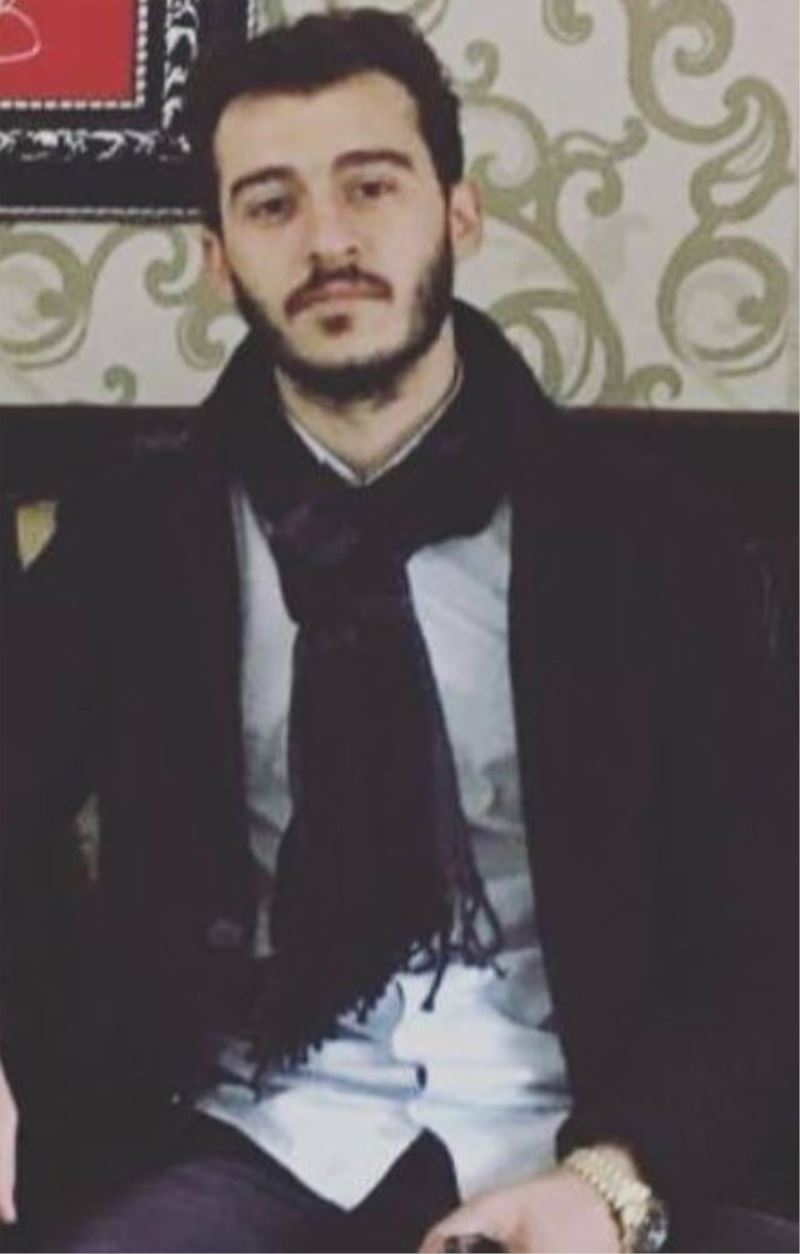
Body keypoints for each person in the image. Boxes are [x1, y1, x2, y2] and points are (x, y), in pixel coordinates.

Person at [0, 9, 795, 1253]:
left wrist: (611, 1181)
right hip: (238, 1145)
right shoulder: (132, 540)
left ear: (456, 215)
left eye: (369, 186)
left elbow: (766, 929)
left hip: (583, 1139)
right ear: (216, 259)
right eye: (271, 204)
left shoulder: (653, 540)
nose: (328, 239)